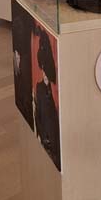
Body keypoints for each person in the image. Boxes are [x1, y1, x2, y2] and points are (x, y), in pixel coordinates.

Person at [33, 27, 61, 170]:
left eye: (45, 69)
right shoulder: (40, 89)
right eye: (42, 69)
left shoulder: (54, 89)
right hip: (48, 137)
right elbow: (38, 114)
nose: (44, 73)